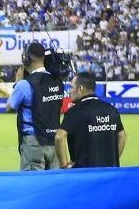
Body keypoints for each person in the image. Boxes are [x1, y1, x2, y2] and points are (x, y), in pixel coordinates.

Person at [8, 42, 64, 171]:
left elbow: (10, 107)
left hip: (33, 141)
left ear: (28, 58)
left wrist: (17, 82)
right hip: (54, 140)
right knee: (52, 185)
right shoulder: (58, 81)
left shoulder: (24, 84)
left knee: (33, 184)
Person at [56, 72, 125, 169]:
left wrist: (64, 165)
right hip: (110, 173)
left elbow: (59, 136)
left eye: (71, 87)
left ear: (80, 88)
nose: (69, 91)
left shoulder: (74, 112)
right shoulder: (111, 109)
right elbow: (122, 136)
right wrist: (113, 160)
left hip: (84, 174)